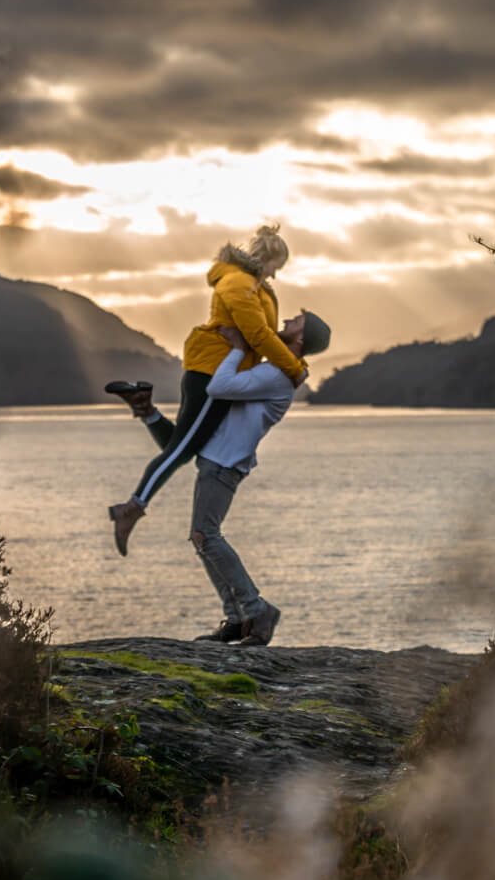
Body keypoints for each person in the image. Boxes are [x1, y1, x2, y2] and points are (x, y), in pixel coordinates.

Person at [113, 310, 332, 646]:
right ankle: (236, 618)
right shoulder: (278, 366)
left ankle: (257, 610)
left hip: (226, 463)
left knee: (206, 535)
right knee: (201, 535)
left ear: (302, 339)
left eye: (297, 320)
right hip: (218, 455)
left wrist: (237, 349)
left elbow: (219, 386)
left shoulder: (278, 372)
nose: (288, 319)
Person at [107, 225, 308, 557]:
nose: (276, 275)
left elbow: (259, 335)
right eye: (277, 267)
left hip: (217, 369)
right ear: (269, 258)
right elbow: (258, 335)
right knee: (183, 449)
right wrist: (295, 368)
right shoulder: (239, 282)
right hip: (212, 371)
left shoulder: (253, 285)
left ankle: (144, 407)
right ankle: (133, 506)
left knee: (186, 446)